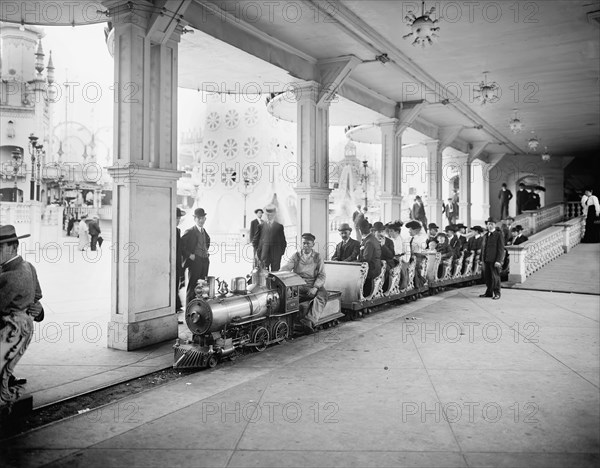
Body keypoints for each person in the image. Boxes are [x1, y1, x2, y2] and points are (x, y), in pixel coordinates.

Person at [0, 225, 43, 405]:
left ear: (13, 247)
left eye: (0, 248)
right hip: (20, 330)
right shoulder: (29, 267)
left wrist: (36, 308)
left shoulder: (9, 276)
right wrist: (37, 309)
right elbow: (37, 296)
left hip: (11, 330)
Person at [281, 233, 327, 333]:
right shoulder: (296, 256)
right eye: (303, 243)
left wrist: (315, 287)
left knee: (323, 295)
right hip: (298, 283)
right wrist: (277, 273)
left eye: (308, 243)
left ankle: (309, 320)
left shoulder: (318, 257)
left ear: (313, 245)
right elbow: (287, 267)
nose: (305, 246)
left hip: (312, 283)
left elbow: (322, 275)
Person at [182, 208, 211, 305]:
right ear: (194, 219)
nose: (201, 220)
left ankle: (199, 308)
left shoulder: (204, 232)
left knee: (202, 287)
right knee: (193, 286)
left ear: (205, 219)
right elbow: (181, 246)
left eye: (203, 218)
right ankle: (189, 310)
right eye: (199, 218)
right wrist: (190, 255)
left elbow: (207, 243)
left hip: (204, 261)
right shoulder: (190, 231)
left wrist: (206, 253)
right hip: (195, 262)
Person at [252, 204, 287, 271]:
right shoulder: (261, 226)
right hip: (264, 255)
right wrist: (259, 253)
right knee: (265, 275)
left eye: (270, 215)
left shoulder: (279, 227)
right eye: (267, 214)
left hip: (276, 255)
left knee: (275, 275)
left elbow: (283, 242)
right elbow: (255, 241)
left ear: (274, 215)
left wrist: (280, 253)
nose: (268, 216)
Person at [480, 217, 505, 300]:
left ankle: (497, 293)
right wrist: (481, 260)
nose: (490, 226)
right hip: (486, 259)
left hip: (494, 260)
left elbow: (501, 249)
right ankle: (489, 292)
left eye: (492, 224)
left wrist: (498, 261)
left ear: (495, 225)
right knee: (487, 277)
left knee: (495, 277)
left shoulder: (498, 235)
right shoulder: (485, 235)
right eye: (488, 224)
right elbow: (483, 249)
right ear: (486, 225)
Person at [357, 218, 381, 295]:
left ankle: (363, 295)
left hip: (371, 269)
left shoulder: (369, 241)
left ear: (361, 229)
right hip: (374, 266)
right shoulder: (371, 238)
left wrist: (354, 262)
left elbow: (366, 259)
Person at [175, 208, 185, 317]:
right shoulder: (167, 230)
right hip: (169, 265)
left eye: (179, 218)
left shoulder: (178, 231)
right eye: (177, 218)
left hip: (177, 264)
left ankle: (176, 307)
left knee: (176, 285)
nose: (178, 220)